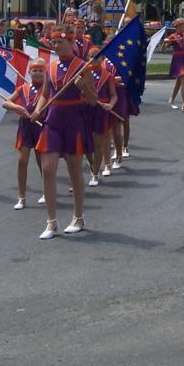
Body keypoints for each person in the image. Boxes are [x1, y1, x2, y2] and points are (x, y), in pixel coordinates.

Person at [32, 30, 97, 240]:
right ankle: (51, 222)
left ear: (71, 43)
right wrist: (38, 109)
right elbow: (45, 95)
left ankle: (78, 217)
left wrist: (84, 88)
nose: (56, 45)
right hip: (53, 120)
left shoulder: (83, 66)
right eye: (53, 42)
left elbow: (93, 100)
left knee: (74, 170)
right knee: (47, 168)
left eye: (60, 41)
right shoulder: (50, 67)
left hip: (74, 120)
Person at [2, 58, 47, 210]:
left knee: (42, 161)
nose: (37, 73)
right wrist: (17, 108)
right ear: (29, 72)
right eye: (35, 70)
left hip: (41, 127)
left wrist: (41, 112)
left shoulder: (48, 89)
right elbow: (5, 102)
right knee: (22, 161)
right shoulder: (23, 88)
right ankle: (21, 197)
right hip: (25, 127)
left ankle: (46, 192)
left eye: (40, 70)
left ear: (45, 72)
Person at [86, 50, 117, 187]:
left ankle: (95, 173)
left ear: (102, 59)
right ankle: (92, 164)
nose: (94, 59)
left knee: (98, 142)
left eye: (97, 57)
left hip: (101, 111)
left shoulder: (107, 76)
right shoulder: (83, 73)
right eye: (92, 56)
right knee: (85, 143)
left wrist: (110, 104)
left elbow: (114, 95)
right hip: (85, 109)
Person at [164, 18, 184, 113]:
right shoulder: (173, 36)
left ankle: (172, 99)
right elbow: (163, 49)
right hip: (178, 60)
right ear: (178, 27)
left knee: (179, 82)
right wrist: (165, 42)